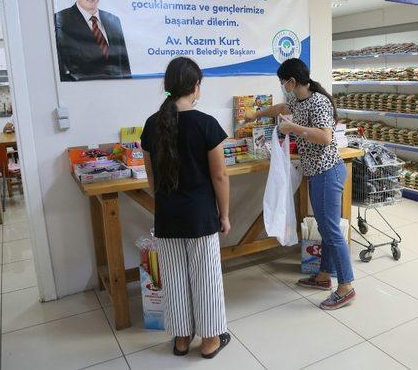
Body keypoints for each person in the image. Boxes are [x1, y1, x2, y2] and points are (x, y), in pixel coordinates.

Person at [247, 58, 356, 310]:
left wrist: (293, 127)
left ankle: (346, 286)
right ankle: (323, 276)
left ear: (292, 81)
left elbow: (325, 137)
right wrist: (257, 114)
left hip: (328, 172)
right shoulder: (299, 99)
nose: (282, 86)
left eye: (283, 82)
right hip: (317, 173)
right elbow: (283, 107)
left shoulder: (318, 102)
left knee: (330, 230)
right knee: (325, 227)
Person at [140, 57, 231, 358]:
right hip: (200, 216)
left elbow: (151, 176)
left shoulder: (153, 124)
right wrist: (225, 214)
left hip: (167, 215)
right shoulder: (206, 124)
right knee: (205, 278)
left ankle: (181, 338)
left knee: (175, 278)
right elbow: (219, 175)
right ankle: (209, 340)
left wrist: (165, 203)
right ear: (195, 87)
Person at [55, 0, 131, 81]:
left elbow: (124, 67)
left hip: (119, 92)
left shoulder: (114, 20)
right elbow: (62, 71)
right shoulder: (61, 20)